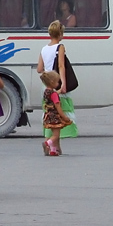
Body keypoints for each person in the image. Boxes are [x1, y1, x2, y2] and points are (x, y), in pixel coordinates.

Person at [36, 19, 77, 152]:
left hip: (46, 86)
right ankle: (52, 143)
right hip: (56, 84)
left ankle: (55, 147)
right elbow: (61, 66)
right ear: (60, 34)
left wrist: (48, 75)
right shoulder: (60, 47)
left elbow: (39, 69)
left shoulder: (43, 49)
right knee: (59, 114)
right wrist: (63, 84)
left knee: (50, 114)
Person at [40, 70, 70, 156]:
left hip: (48, 116)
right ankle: (47, 144)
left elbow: (53, 95)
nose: (58, 84)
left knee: (53, 133)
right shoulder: (54, 94)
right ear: (52, 82)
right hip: (55, 117)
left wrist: (59, 91)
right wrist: (64, 117)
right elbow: (58, 106)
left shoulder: (46, 92)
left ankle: (53, 150)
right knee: (56, 136)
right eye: (57, 82)